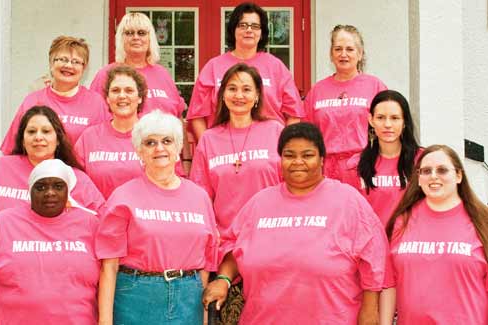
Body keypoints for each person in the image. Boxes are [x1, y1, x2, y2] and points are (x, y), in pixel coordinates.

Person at [203, 122, 388, 324]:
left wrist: (370, 313)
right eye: (289, 155)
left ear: (322, 160)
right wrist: (223, 279)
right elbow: (233, 246)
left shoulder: (349, 202)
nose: (297, 161)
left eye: (307, 155)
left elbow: (375, 260)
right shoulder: (259, 203)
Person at [96, 110, 218, 325]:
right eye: (150, 142)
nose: (159, 148)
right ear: (139, 151)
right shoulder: (122, 197)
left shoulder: (200, 197)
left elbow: (206, 265)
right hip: (136, 297)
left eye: (167, 141)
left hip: (189, 299)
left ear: (178, 147)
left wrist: (203, 316)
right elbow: (109, 268)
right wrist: (105, 322)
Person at [381, 145, 488, 325]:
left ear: (459, 176)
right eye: (426, 171)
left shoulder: (482, 221)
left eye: (442, 170)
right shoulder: (401, 222)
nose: (433, 176)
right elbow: (389, 284)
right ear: (419, 178)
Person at [0, 159, 100, 324]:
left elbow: (108, 279)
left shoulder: (90, 224)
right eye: (40, 187)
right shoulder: (3, 222)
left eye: (58, 186)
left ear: (68, 192)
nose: (50, 193)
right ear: (30, 191)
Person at [190, 63, 283, 238]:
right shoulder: (209, 139)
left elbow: (290, 185)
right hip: (224, 237)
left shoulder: (275, 131)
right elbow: (200, 195)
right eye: (232, 88)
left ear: (257, 96)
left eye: (246, 89)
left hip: (270, 233)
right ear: (223, 95)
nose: (239, 95)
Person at [187, 2, 304, 141]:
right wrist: (209, 149)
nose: (249, 30)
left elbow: (294, 114)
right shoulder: (213, 67)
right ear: (233, 30)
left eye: (255, 26)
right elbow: (197, 115)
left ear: (261, 33)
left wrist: (283, 147)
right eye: (243, 25)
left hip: (268, 148)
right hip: (224, 147)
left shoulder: (276, 67)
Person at [0, 106, 105, 219]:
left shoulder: (77, 179)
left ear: (58, 139)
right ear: (22, 140)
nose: (38, 137)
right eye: (31, 131)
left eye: (46, 131)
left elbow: (101, 218)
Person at [304, 24, 387, 184]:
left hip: (363, 167)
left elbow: (388, 127)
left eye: (349, 49)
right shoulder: (317, 90)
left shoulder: (374, 86)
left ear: (360, 53)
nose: (343, 54)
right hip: (324, 170)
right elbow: (306, 135)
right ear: (331, 54)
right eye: (338, 49)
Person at [0, 36, 109, 154]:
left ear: (84, 68)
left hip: (79, 171)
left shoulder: (96, 102)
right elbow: (11, 150)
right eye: (62, 59)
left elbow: (106, 146)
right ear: (51, 64)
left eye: (76, 61)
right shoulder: (32, 101)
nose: (68, 66)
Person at [90, 12, 185, 117]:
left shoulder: (162, 74)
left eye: (141, 33)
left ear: (150, 38)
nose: (135, 37)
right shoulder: (106, 74)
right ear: (121, 39)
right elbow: (93, 115)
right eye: (129, 33)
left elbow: (178, 115)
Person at [349, 90, 421, 226]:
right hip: (372, 243)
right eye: (381, 118)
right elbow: (351, 215)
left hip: (410, 243)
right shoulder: (355, 165)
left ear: (404, 121)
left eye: (394, 118)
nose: (387, 124)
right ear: (371, 120)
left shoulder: (423, 161)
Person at [74, 65, 146, 199]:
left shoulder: (153, 136)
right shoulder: (89, 137)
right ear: (107, 98)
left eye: (129, 90)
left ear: (140, 97)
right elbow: (75, 181)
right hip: (99, 215)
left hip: (141, 216)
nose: (122, 96)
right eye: (115, 90)